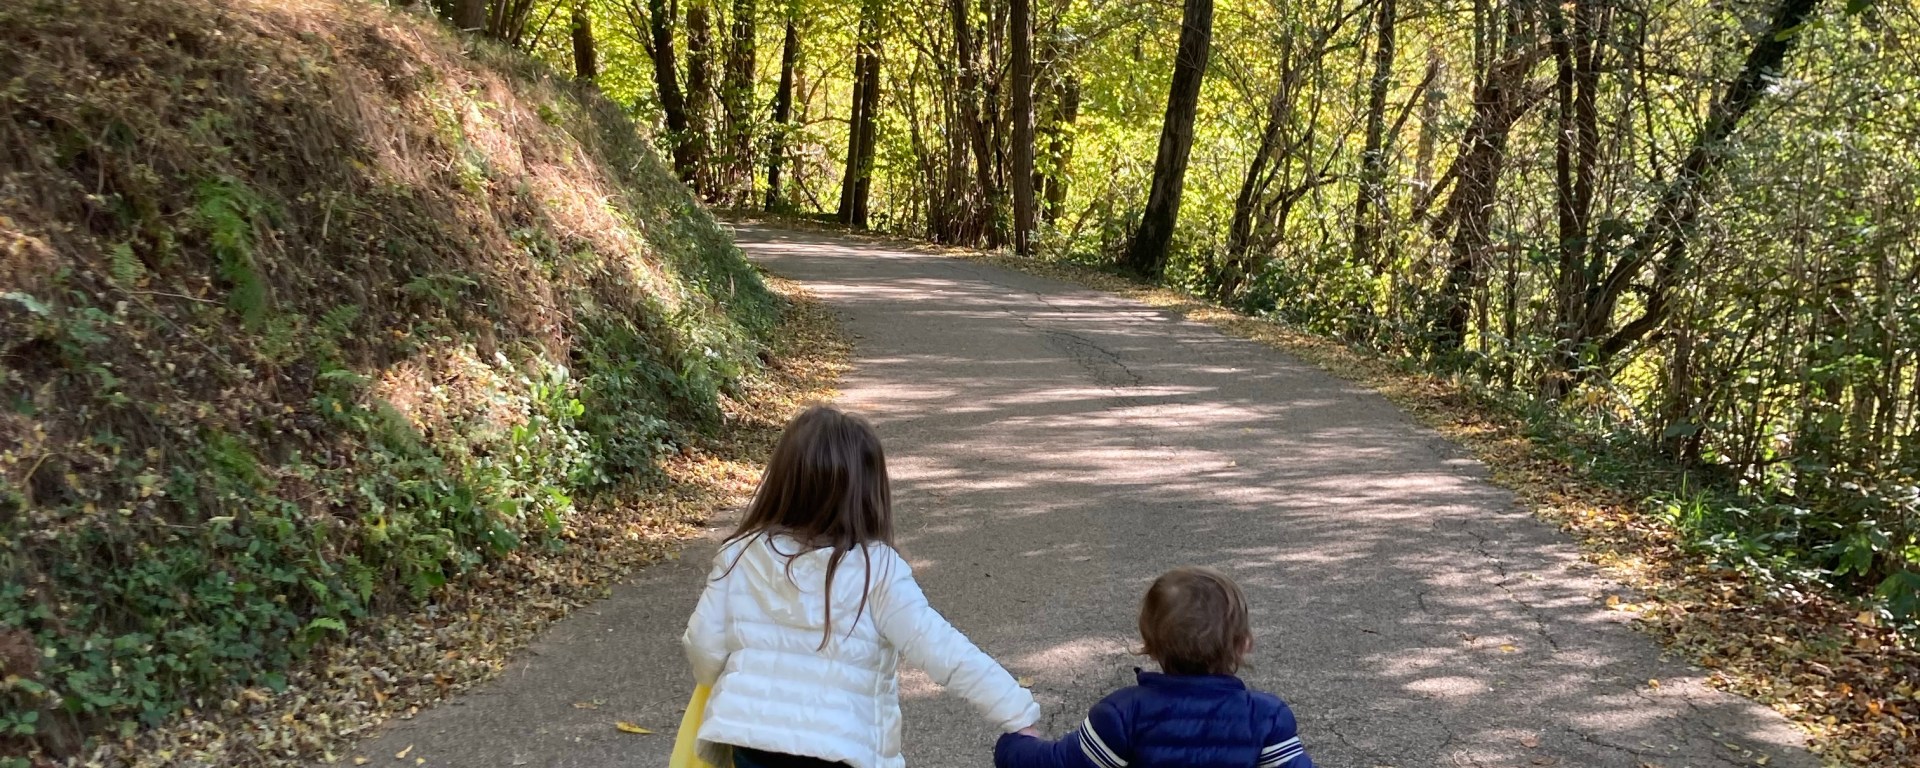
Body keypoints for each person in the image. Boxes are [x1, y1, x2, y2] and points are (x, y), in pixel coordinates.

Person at [683, 405, 1041, 768]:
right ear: (867, 492)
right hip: (841, 748)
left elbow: (703, 647)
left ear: (783, 482)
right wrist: (1017, 712)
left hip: (751, 742)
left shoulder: (740, 554)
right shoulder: (876, 569)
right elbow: (944, 650)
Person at [994, 567, 1315, 768]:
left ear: (1149, 644)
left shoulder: (1121, 714)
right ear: (1244, 644)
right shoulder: (1267, 716)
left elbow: (1058, 764)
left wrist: (1015, 744)